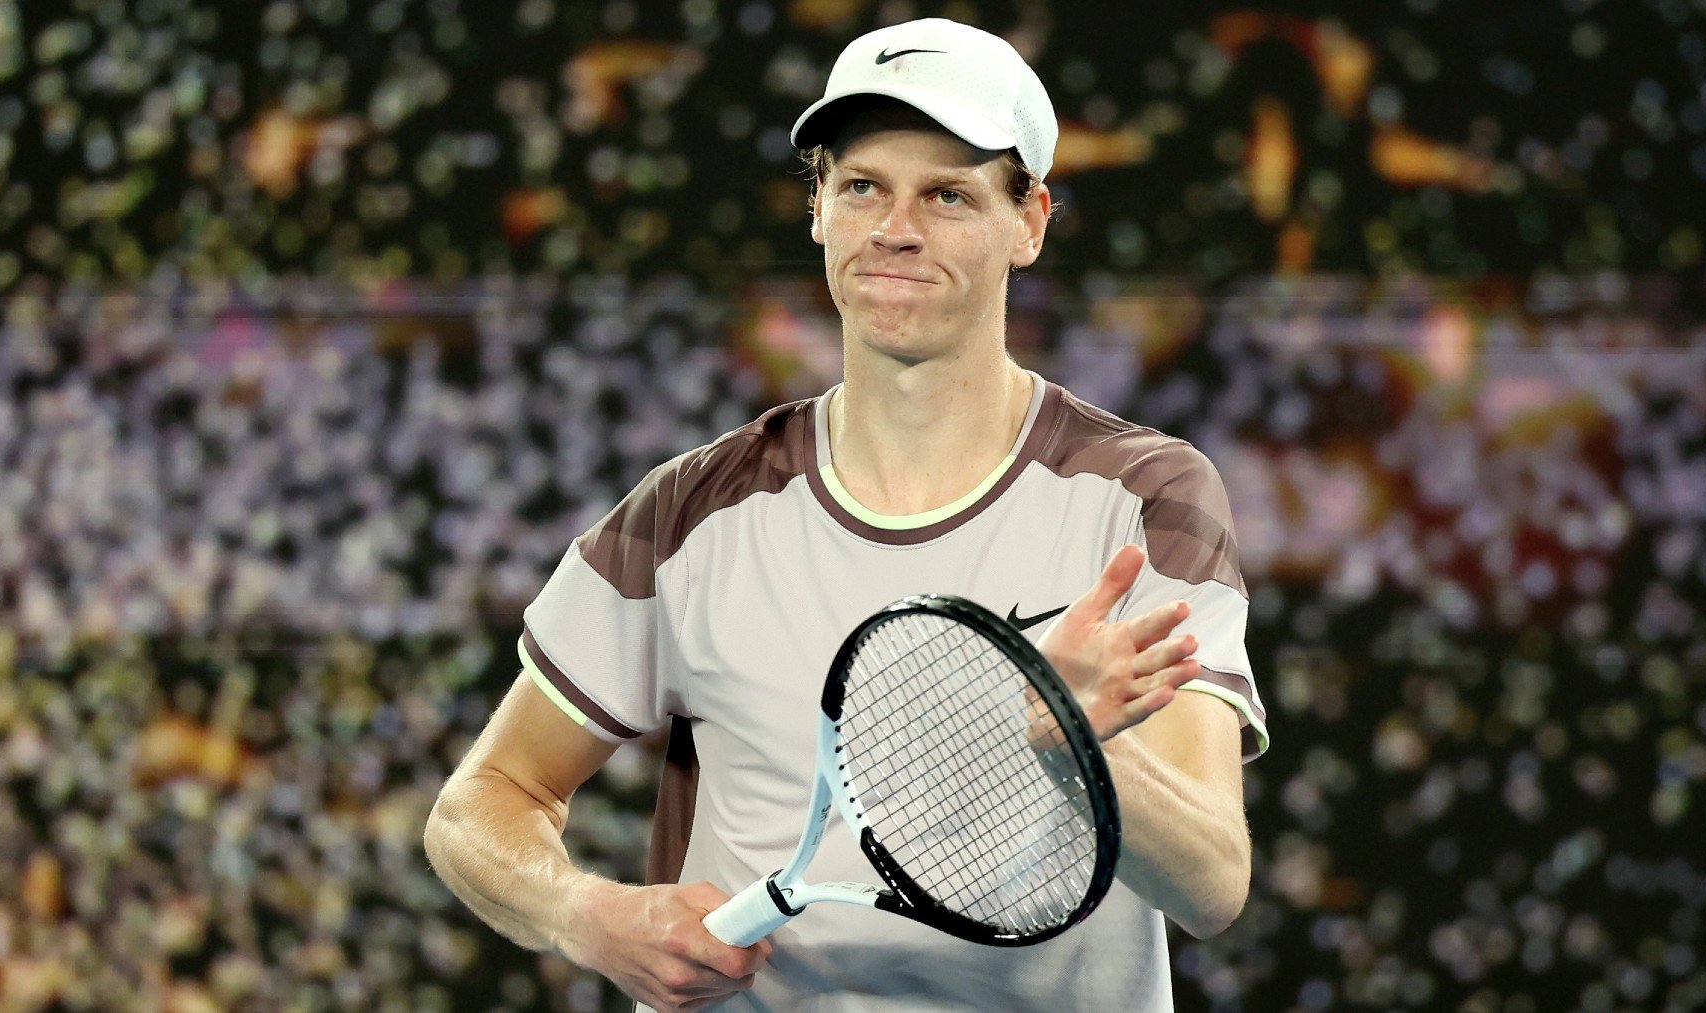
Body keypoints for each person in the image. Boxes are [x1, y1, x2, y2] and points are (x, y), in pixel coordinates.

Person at [424, 17, 1267, 1012]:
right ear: (818, 206)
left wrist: (1076, 745)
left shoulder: (1147, 497)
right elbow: (479, 804)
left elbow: (1213, 882)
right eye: (863, 184)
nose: (894, 227)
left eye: (948, 194)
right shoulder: (688, 510)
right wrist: (587, 913)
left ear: (1030, 221)